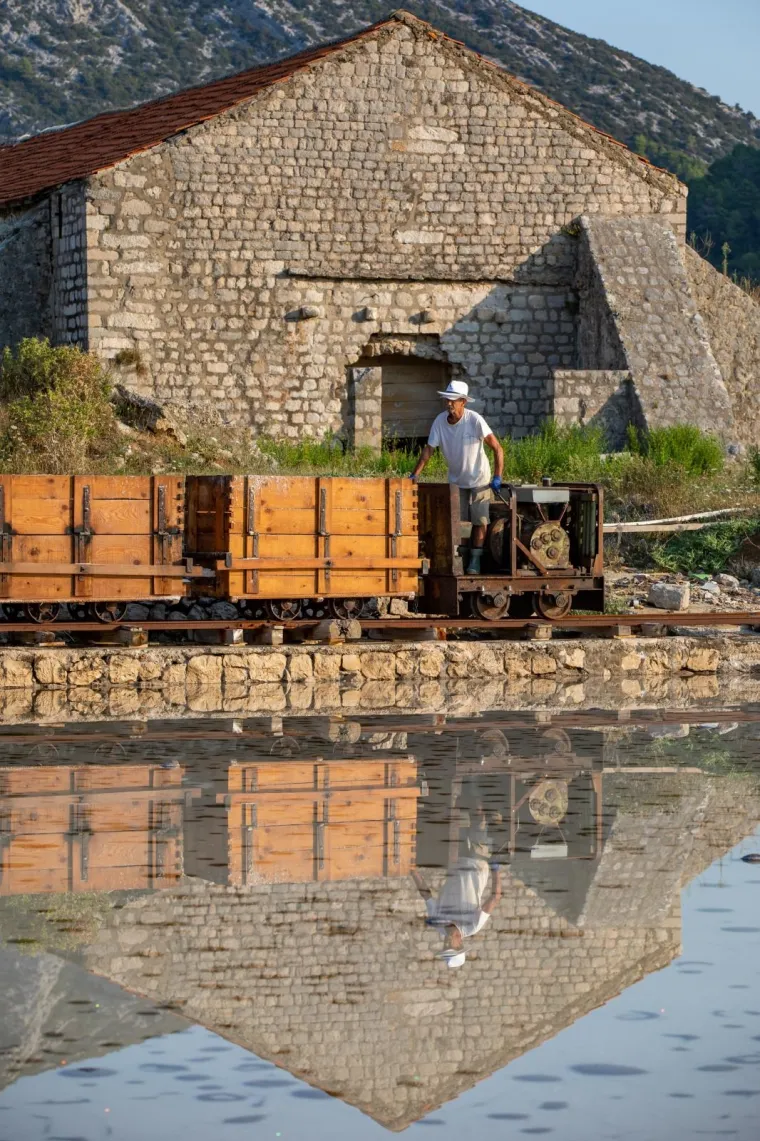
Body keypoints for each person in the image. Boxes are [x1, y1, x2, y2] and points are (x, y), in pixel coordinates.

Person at [410, 380, 504, 575]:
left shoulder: (474, 420)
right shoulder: (439, 422)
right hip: (456, 481)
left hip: (480, 480)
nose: (449, 404)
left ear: (463, 402)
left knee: (480, 520)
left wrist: (497, 477)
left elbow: (497, 448)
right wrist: (415, 474)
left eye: (453, 400)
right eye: (447, 400)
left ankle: (475, 561)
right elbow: (429, 450)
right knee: (458, 523)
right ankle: (460, 559)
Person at [411, 787, 502, 970]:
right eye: (449, 947)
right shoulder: (472, 925)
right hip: (478, 863)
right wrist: (495, 869)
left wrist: (412, 871)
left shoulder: (438, 923)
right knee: (479, 818)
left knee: (456, 817)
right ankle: (475, 783)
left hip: (456, 860)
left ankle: (459, 787)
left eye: (444, 947)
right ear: (459, 943)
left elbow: (426, 895)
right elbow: (495, 898)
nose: (445, 943)